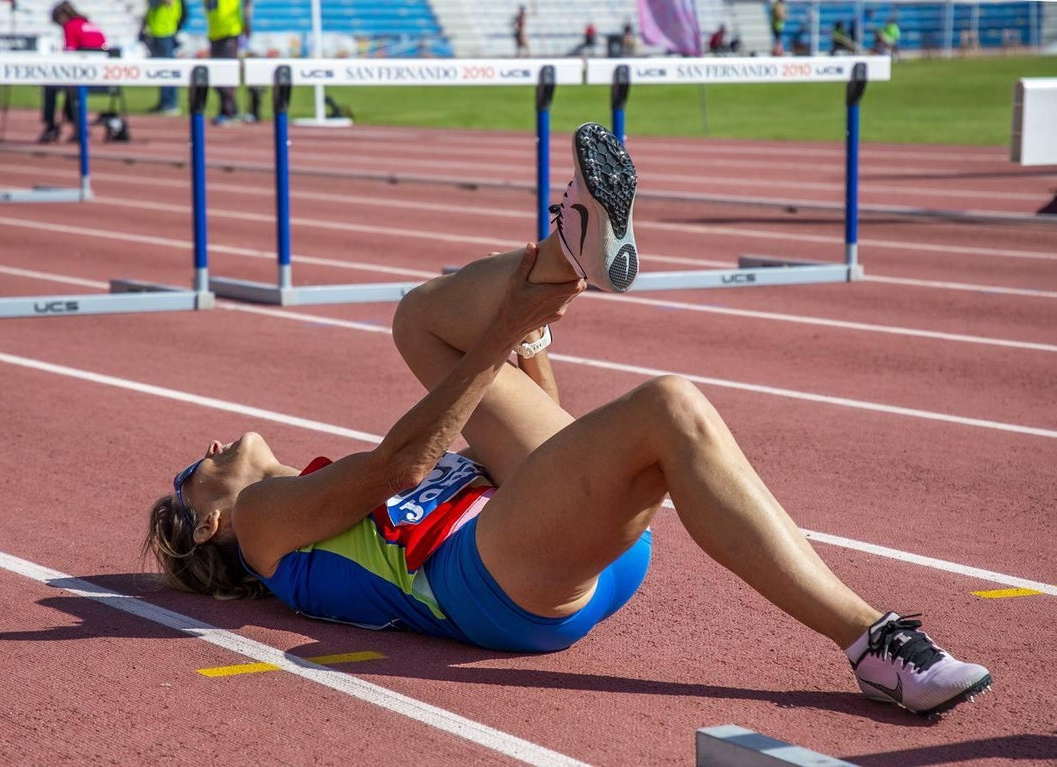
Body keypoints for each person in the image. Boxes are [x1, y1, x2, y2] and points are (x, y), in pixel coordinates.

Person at [144, 122, 993, 717]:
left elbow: (536, 432)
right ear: (209, 519)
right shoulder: (260, 525)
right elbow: (405, 466)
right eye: (193, 469)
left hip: (533, 534)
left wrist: (529, 339)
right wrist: (504, 327)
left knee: (415, 319)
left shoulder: (312, 493)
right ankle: (877, 645)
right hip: (492, 586)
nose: (210, 446)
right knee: (668, 404)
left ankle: (567, 252)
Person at [39, 2, 107, 144]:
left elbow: (69, 54)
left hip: (84, 77)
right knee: (71, 87)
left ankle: (51, 126)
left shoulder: (70, 26)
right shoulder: (89, 24)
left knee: (50, 87)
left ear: (62, 17)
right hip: (102, 78)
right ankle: (77, 125)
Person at [203, 0, 253, 125]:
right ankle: (225, 111)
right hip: (215, 33)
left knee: (227, 76)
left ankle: (231, 112)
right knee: (217, 78)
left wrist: (247, 21)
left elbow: (248, 3)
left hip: (230, 31)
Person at [139, 0, 187, 116]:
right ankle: (164, 102)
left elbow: (168, 2)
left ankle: (171, 104)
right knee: (160, 70)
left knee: (168, 70)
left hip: (166, 32)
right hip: (156, 31)